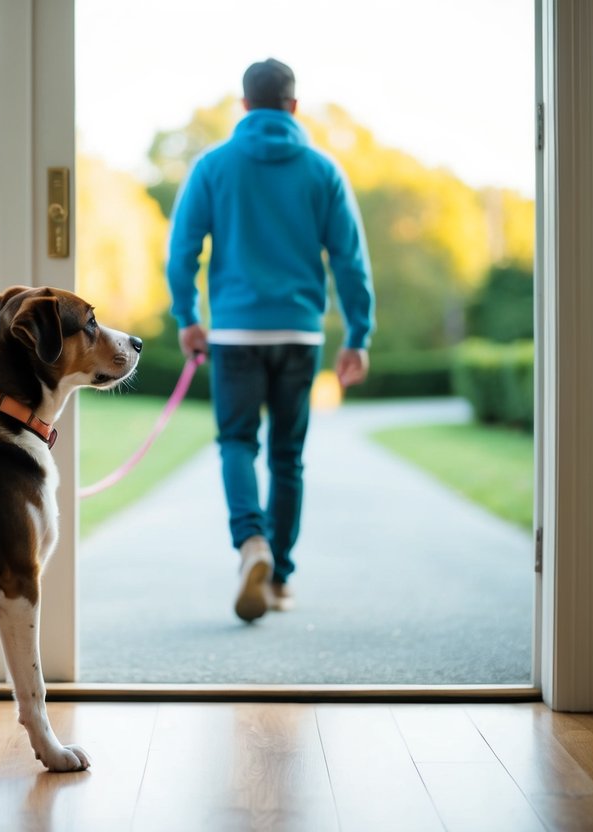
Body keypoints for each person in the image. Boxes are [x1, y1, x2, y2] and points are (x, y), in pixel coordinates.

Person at [165, 57, 375, 623]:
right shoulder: (322, 170)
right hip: (299, 332)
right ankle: (279, 577)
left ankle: (250, 543)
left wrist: (187, 316)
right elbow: (349, 259)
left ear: (243, 106)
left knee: (237, 442)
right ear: (294, 106)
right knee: (287, 455)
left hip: (233, 331)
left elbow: (182, 250)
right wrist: (358, 332)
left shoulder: (213, 166)